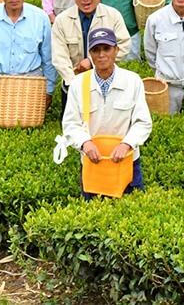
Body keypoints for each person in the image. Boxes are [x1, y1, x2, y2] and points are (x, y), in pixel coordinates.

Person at [60, 28, 151, 200]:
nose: (101, 55)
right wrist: (85, 143)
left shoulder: (132, 81)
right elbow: (70, 123)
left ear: (116, 51)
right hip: (93, 165)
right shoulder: (78, 83)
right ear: (90, 54)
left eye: (107, 49)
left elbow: (143, 122)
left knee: (131, 211)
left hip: (127, 163)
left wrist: (126, 144)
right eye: (96, 50)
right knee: (93, 212)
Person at [51, 0, 130, 112]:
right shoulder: (62, 20)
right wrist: (73, 83)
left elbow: (123, 45)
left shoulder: (113, 16)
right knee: (72, 123)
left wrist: (92, 62)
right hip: (72, 84)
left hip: (106, 81)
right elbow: (59, 57)